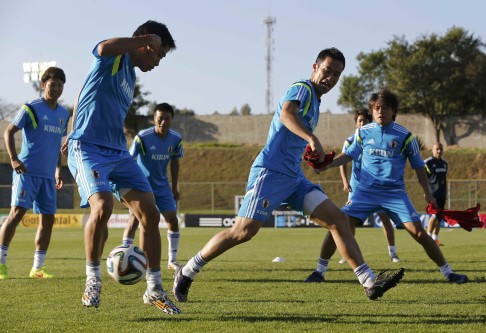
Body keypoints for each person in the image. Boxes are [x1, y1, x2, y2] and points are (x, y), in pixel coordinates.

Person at [172, 48, 405, 304]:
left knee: (338, 220)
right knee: (243, 232)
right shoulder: (302, 88)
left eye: (336, 75)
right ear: (314, 67)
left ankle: (369, 281)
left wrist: (314, 156)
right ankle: (187, 271)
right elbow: (286, 114)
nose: (330, 78)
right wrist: (311, 137)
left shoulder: (315, 101)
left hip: (294, 178)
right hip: (270, 173)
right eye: (327, 71)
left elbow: (294, 134)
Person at [61, 20, 180, 315]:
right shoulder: (115, 57)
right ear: (146, 45)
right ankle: (93, 281)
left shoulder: (130, 75)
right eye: (158, 55)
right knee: (101, 207)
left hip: (117, 150)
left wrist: (72, 122)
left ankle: (154, 289)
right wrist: (74, 131)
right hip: (88, 147)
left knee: (150, 215)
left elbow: (85, 91)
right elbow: (102, 47)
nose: (157, 63)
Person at [304, 87, 468, 284]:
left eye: (385, 108)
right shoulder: (362, 133)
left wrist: (427, 193)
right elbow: (348, 155)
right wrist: (327, 164)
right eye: (377, 108)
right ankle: (319, 271)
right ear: (372, 111)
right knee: (338, 225)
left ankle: (449, 273)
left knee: (418, 233)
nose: (380, 111)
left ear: (393, 111)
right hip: (364, 193)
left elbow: (418, 166)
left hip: (394, 194)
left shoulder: (405, 136)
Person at [0, 67, 69, 280]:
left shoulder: (64, 114)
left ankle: (37, 268)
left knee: (48, 219)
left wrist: (58, 169)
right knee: (16, 214)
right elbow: (9, 131)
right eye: (52, 84)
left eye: (59, 85)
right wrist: (13, 159)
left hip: (48, 177)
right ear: (43, 85)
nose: (56, 88)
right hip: (27, 172)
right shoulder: (31, 108)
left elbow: (57, 145)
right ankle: (1, 263)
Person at [122, 102, 183, 271]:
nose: (163, 122)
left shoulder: (176, 139)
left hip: (163, 186)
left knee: (172, 219)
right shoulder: (143, 137)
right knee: (134, 220)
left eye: (166, 119)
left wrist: (175, 186)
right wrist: (128, 186)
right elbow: (129, 160)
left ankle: (172, 260)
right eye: (160, 119)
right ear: (154, 119)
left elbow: (175, 162)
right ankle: (123, 257)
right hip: (142, 186)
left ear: (172, 119)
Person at [334, 108, 400, 266]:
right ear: (356, 123)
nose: (362, 123)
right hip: (357, 186)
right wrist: (345, 181)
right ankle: (348, 253)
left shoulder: (376, 138)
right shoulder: (350, 140)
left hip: (376, 185)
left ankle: (393, 253)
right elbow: (343, 161)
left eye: (365, 120)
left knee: (385, 218)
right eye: (360, 121)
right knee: (349, 220)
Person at [425, 142, 447, 246]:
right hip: (433, 195)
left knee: (439, 217)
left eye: (441, 149)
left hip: (442, 194)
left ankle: (435, 239)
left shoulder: (444, 163)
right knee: (434, 215)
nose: (439, 151)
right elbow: (423, 178)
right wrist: (426, 192)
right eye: (437, 149)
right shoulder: (427, 162)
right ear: (433, 150)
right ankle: (428, 238)